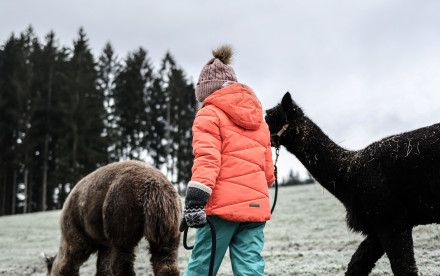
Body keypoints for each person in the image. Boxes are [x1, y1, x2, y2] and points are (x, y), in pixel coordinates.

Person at [180, 45, 275, 276]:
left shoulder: (209, 114)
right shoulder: (259, 120)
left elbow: (207, 160)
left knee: (201, 269)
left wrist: (195, 201)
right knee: (251, 270)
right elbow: (268, 175)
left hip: (221, 211)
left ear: (207, 93)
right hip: (254, 211)